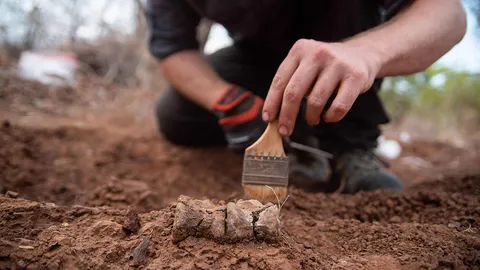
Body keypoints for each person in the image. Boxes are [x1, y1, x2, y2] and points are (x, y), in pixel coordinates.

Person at [145, 0, 466, 194]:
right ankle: (296, 143)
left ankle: (349, 145)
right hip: (256, 57)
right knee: (176, 115)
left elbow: (448, 15)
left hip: (348, 46)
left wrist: (366, 54)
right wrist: (227, 100)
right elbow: (173, 48)